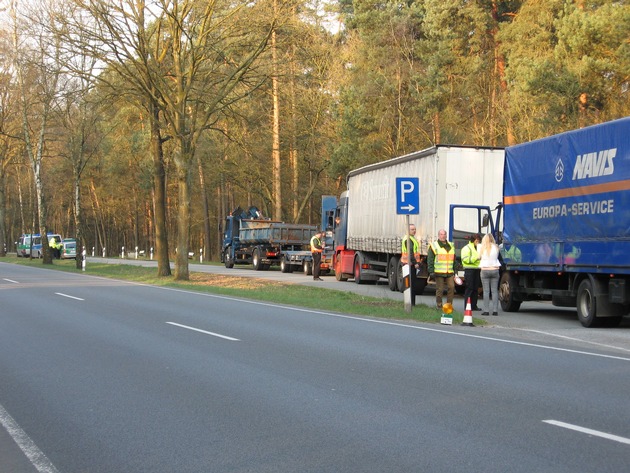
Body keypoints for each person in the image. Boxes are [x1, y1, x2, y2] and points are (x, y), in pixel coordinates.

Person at [427, 229, 455, 310]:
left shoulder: (451, 245)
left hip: (449, 271)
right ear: (438, 236)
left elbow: (453, 258)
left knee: (451, 287)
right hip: (438, 272)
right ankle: (439, 306)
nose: (443, 236)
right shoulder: (434, 245)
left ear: (446, 235)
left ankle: (448, 307)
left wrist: (455, 270)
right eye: (441, 234)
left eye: (444, 234)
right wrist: (431, 271)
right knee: (440, 289)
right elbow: (430, 259)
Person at [479, 233, 501, 316]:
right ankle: (495, 310)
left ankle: (486, 310)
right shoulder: (496, 247)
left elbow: (479, 257)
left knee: (486, 291)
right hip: (495, 270)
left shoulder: (482, 248)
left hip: (485, 270)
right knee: (495, 291)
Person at [401, 224, 421, 304]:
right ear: (408, 230)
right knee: (410, 284)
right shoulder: (408, 239)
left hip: (409, 264)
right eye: (412, 229)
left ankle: (411, 302)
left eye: (415, 229)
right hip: (409, 264)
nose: (414, 231)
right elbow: (410, 253)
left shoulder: (411, 238)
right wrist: (415, 263)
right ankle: (411, 303)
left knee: (410, 284)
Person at [461, 233, 481, 311]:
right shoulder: (467, 248)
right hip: (469, 269)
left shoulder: (478, 248)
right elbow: (465, 259)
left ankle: (474, 305)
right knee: (470, 288)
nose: (478, 242)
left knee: (475, 288)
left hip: (477, 269)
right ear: (473, 240)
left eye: (479, 240)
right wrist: (476, 258)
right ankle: (467, 306)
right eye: (477, 240)